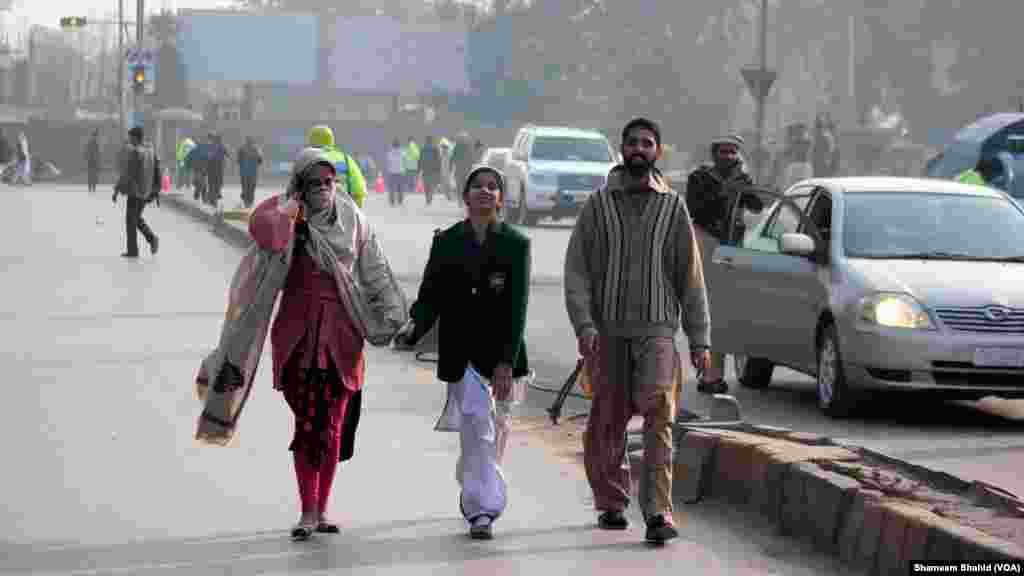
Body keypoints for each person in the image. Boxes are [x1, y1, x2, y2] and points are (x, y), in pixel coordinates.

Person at [196, 147, 407, 542]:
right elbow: (264, 229)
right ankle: (307, 509)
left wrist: (397, 317)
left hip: (343, 340)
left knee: (331, 425)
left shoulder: (354, 222)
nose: (324, 189)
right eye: (314, 184)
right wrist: (290, 209)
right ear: (300, 187)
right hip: (297, 337)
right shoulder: (287, 221)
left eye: (329, 182)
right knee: (308, 422)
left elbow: (376, 271)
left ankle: (319, 509)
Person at [564, 118, 711, 545]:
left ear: (658, 153)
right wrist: (585, 323)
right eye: (632, 143)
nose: (639, 150)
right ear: (621, 149)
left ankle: (658, 511)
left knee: (659, 420)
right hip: (607, 335)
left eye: (647, 144)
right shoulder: (597, 206)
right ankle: (611, 502)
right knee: (605, 424)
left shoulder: (673, 207)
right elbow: (577, 272)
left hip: (659, 334)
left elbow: (691, 277)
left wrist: (700, 339)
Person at [394, 165, 532, 541]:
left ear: (501, 198)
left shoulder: (517, 244)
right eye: (478, 186)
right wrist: (412, 328)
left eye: (493, 187)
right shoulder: (447, 241)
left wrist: (505, 362)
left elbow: (517, 308)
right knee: (476, 427)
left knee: (493, 433)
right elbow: (429, 297)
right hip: (461, 355)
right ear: (465, 195)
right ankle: (482, 511)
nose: (485, 192)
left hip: (503, 355)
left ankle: (474, 484)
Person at [685, 134, 762, 394]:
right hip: (708, 243)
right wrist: (723, 193)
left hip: (731, 249)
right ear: (714, 153)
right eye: (723, 152)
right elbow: (696, 210)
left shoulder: (742, 179)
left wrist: (746, 186)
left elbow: (757, 206)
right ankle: (708, 374)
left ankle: (715, 373)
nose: (728, 156)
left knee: (726, 313)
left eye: (733, 152)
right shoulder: (700, 178)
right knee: (709, 311)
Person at [112, 126, 160, 258]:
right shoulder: (151, 151)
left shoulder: (136, 152)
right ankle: (152, 239)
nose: (129, 140)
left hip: (136, 191)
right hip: (146, 191)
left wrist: (116, 190)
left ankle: (133, 250)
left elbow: (128, 173)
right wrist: (156, 190)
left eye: (130, 137)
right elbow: (157, 171)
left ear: (135, 137)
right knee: (136, 218)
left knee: (130, 220)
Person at [306, 125, 367, 209]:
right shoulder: (345, 159)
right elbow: (358, 189)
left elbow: (295, 190)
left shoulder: (307, 159)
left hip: (316, 212)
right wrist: (355, 211)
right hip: (344, 209)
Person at [237, 136, 264, 209]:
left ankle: (247, 203)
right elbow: (260, 161)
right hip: (251, 173)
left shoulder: (243, 149)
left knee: (247, 188)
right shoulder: (256, 149)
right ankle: (248, 204)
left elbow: (238, 161)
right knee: (250, 188)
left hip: (246, 173)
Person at [418, 136, 443, 206]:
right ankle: (429, 198)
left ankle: (427, 198)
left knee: (426, 185)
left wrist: (419, 168)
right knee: (431, 184)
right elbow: (438, 159)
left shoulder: (423, 149)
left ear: (426, 141)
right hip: (433, 169)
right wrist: (439, 169)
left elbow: (420, 159)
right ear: (432, 141)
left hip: (425, 169)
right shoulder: (435, 148)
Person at [386, 138, 405, 207]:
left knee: (392, 188)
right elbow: (404, 161)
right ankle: (400, 200)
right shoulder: (403, 152)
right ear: (399, 145)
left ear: (392, 145)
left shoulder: (390, 153)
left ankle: (392, 201)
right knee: (400, 188)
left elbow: (388, 162)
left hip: (392, 172)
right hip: (400, 171)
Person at [85, 129, 101, 193]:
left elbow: (97, 153)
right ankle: (91, 187)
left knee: (93, 175)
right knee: (91, 175)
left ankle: (93, 187)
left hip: (93, 161)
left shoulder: (95, 143)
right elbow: (88, 152)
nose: (96, 137)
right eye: (95, 136)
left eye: (96, 136)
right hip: (91, 161)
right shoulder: (91, 143)